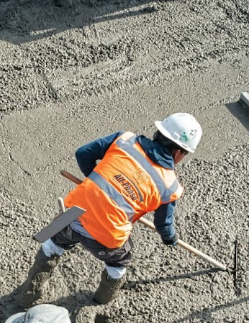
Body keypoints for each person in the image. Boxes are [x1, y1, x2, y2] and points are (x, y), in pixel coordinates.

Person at [19, 113, 201, 306]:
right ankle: (101, 302)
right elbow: (163, 224)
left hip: (72, 211)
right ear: (179, 153)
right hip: (108, 234)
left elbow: (83, 153)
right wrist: (170, 238)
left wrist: (96, 181)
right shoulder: (170, 186)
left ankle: (28, 295)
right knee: (119, 262)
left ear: (158, 132)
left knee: (52, 241)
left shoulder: (124, 139)